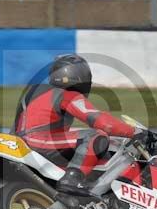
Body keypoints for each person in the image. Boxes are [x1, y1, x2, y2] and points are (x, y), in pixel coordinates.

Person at [13, 54, 147, 196]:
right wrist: (136, 132)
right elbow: (106, 124)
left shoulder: (35, 92)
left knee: (83, 139)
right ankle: (72, 180)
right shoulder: (66, 94)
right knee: (95, 136)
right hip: (38, 142)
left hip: (21, 143)